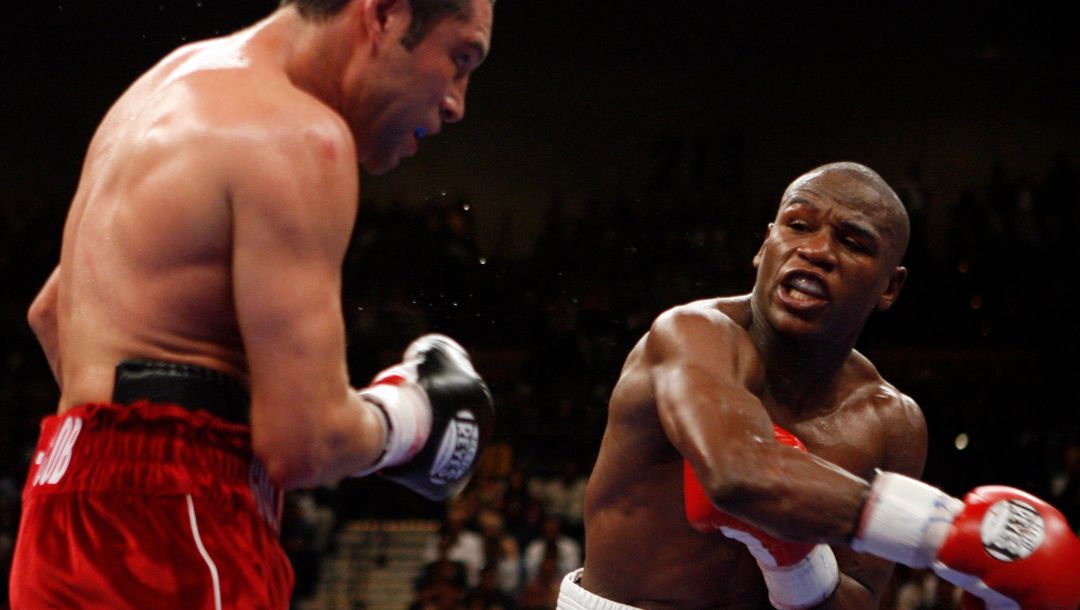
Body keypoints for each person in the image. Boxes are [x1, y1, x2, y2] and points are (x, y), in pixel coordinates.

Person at [10, 0, 495, 607]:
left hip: (61, 500)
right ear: (386, 16)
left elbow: (52, 313)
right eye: (459, 58)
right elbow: (305, 442)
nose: (457, 102)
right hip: (177, 529)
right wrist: (411, 416)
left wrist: (134, 457)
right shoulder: (297, 134)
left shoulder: (165, 85)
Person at [563, 162, 1080, 609]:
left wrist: (795, 558)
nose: (816, 251)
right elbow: (738, 472)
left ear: (890, 287)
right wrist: (946, 532)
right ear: (765, 245)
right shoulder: (691, 334)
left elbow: (856, 599)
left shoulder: (891, 421)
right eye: (798, 226)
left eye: (852, 242)